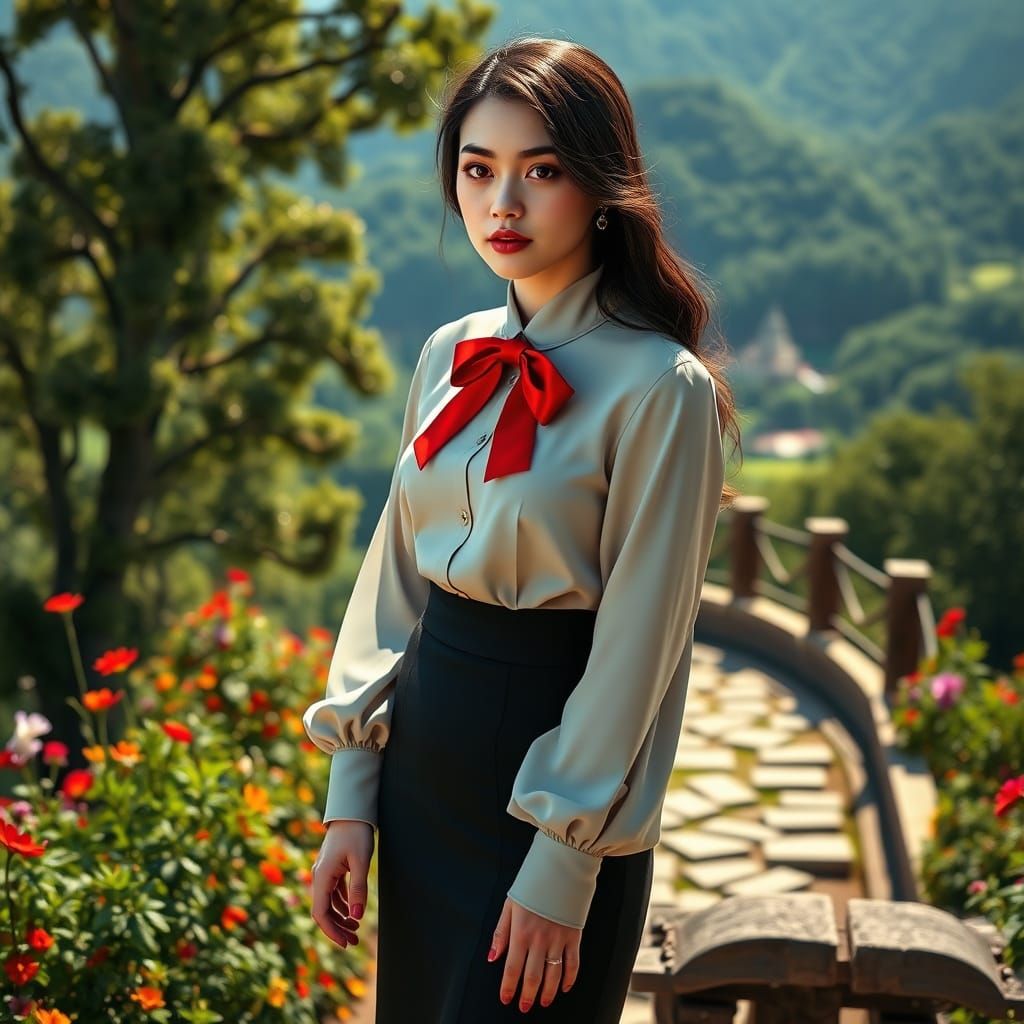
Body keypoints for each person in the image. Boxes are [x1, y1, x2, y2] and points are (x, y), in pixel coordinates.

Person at [302, 35, 741, 1023]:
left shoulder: (659, 389)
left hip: (554, 771)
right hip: (426, 764)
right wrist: (351, 787)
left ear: (599, 185)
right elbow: (393, 584)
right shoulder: (447, 352)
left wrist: (565, 857)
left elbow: (642, 649)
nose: (502, 203)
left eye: (539, 171)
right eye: (477, 169)